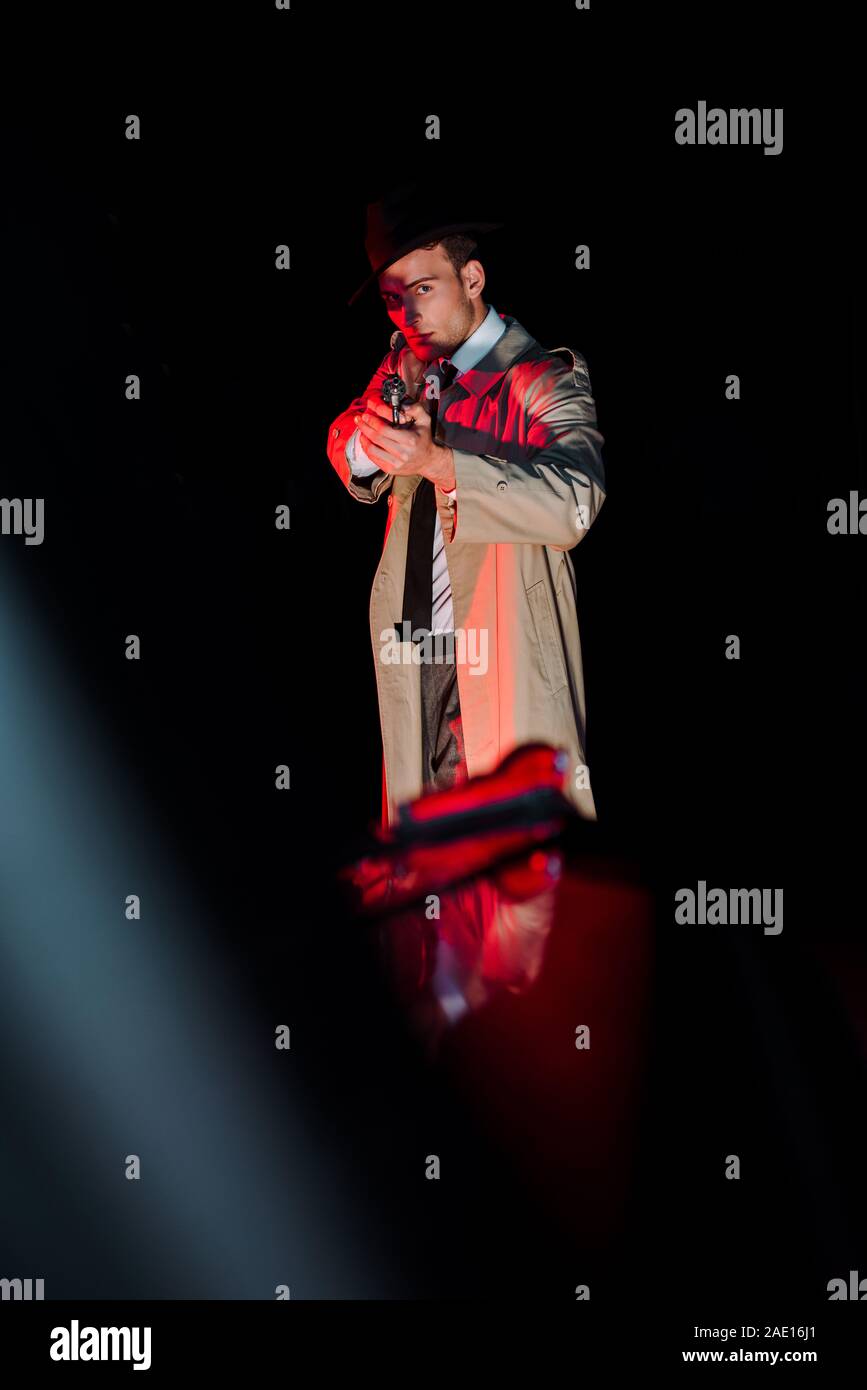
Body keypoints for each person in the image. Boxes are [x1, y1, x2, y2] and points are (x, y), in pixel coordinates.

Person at [326, 183, 607, 831]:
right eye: (393, 300)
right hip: (412, 654)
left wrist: (438, 465)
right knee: (423, 863)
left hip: (495, 655)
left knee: (506, 862)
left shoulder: (541, 376)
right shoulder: (406, 362)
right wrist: (375, 434)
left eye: (421, 289)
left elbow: (575, 501)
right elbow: (344, 444)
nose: (405, 315)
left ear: (471, 277)